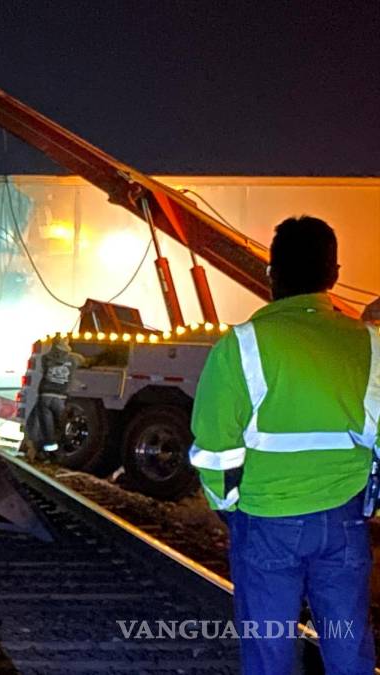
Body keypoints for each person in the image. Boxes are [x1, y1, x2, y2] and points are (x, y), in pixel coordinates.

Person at [190, 216, 378, 674]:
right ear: (333, 274)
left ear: (271, 273)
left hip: (266, 518)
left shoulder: (241, 345)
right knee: (348, 645)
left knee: (269, 649)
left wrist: (227, 506)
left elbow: (214, 448)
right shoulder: (370, 344)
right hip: (345, 516)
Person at [23, 335, 84, 460]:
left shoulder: (46, 358)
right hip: (60, 398)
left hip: (44, 396)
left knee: (46, 428)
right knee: (60, 426)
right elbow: (85, 361)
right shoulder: (74, 359)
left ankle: (44, 452)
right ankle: (57, 453)